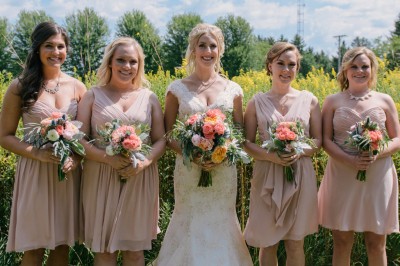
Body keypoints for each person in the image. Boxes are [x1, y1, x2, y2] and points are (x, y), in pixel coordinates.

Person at [154, 23, 252, 266]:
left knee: (222, 219)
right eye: (202, 45)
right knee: (189, 219)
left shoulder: (234, 90)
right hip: (188, 169)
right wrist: (193, 155)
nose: (208, 51)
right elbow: (168, 135)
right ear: (193, 50)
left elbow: (239, 132)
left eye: (213, 46)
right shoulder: (177, 89)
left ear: (219, 51)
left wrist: (222, 152)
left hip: (223, 171)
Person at [0, 22, 86, 265]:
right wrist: (36, 154)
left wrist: (76, 158)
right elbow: (4, 136)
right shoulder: (19, 86)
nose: (56, 52)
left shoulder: (78, 87)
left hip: (67, 173)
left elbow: (86, 137)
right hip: (35, 170)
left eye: (61, 46)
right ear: (37, 49)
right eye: (49, 46)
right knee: (34, 248)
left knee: (62, 247)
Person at [77, 36, 165, 266]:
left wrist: (144, 162)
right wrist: (108, 159)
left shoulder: (149, 98)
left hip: (139, 177)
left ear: (139, 65)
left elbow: (161, 140)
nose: (127, 66)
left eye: (133, 61)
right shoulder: (92, 95)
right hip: (100, 178)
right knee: (104, 252)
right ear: (110, 62)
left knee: (134, 253)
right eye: (121, 60)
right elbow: (79, 140)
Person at [318, 47, 400, 266]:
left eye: (365, 66)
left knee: (376, 243)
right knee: (342, 242)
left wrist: (376, 152)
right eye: (354, 66)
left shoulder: (385, 100)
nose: (359, 71)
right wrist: (351, 159)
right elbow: (325, 140)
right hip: (342, 174)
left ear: (372, 70)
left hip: (377, 174)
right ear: (345, 70)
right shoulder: (332, 101)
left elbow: (397, 139)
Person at [243, 42, 322, 266]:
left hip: (300, 173)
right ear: (270, 66)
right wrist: (270, 156)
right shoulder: (255, 102)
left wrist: (299, 151)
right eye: (280, 63)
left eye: (292, 65)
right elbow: (247, 143)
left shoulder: (310, 100)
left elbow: (318, 141)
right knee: (268, 242)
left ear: (297, 68)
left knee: (295, 243)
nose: (286, 70)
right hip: (267, 174)